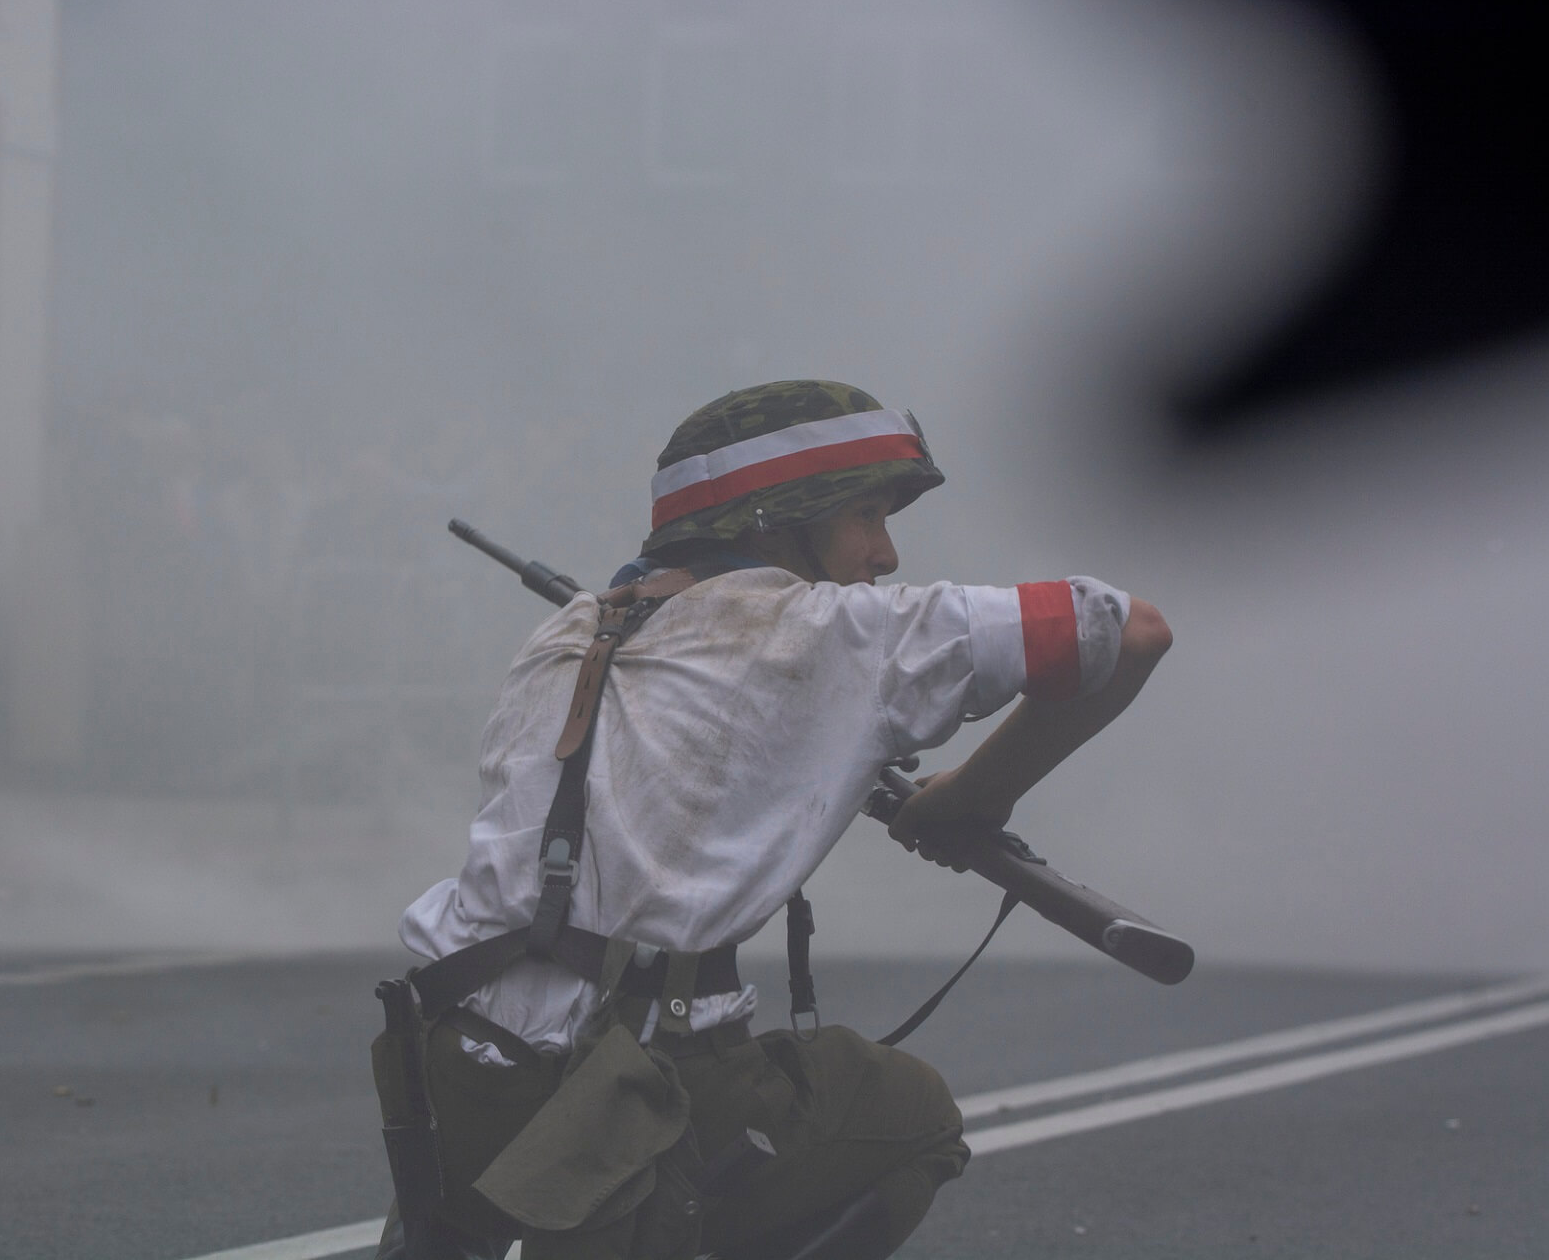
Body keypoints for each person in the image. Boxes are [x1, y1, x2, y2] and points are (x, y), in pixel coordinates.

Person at [379, 380, 1171, 1260]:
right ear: (773, 519)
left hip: (455, 1072)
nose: (885, 551)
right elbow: (1128, 631)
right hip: (628, 1087)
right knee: (913, 1115)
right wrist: (974, 799)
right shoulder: (826, 631)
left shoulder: (570, 628)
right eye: (865, 514)